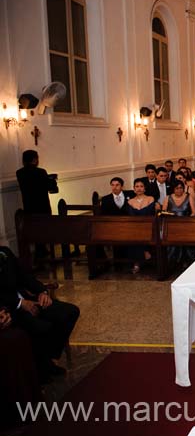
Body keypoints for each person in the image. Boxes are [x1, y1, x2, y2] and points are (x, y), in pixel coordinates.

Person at [0, 246, 80, 383]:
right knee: (42, 327)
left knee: (70, 312)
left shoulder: (5, 252)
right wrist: (20, 303)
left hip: (29, 300)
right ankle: (41, 367)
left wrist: (42, 292)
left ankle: (46, 360)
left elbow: (25, 276)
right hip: (8, 309)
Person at [16, 150, 58, 259]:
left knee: (34, 230)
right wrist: (52, 180)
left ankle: (40, 251)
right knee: (43, 229)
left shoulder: (19, 173)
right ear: (34, 159)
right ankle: (42, 251)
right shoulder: (41, 172)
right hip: (42, 205)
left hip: (29, 206)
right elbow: (50, 187)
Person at [126, 179, 157, 273]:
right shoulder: (130, 201)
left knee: (140, 233)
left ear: (144, 189)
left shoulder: (150, 198)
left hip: (150, 226)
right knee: (134, 234)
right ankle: (143, 254)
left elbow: (147, 213)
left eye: (141, 186)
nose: (139, 188)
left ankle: (139, 261)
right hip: (135, 227)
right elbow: (132, 216)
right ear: (134, 189)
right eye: (137, 186)